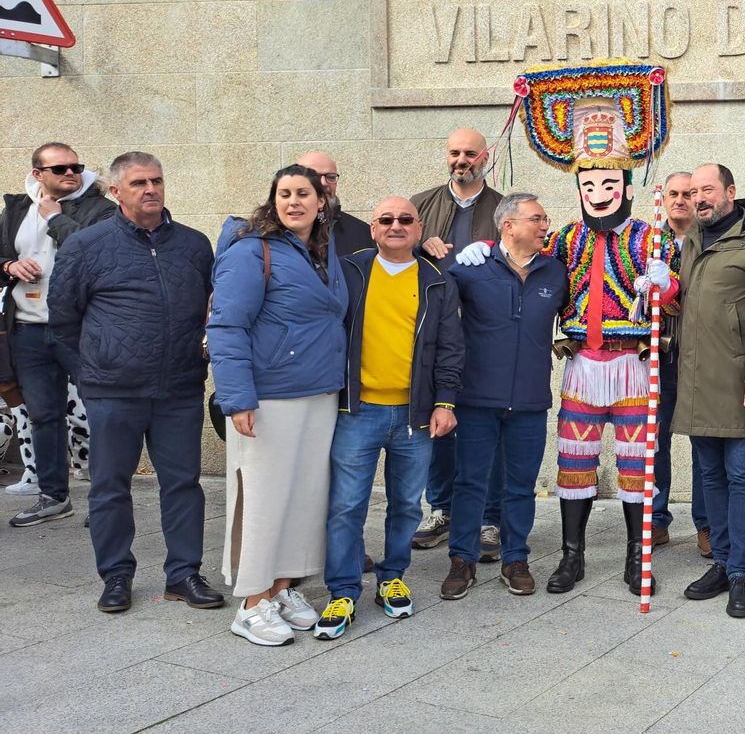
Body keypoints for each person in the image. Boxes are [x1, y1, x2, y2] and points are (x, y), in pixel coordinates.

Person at [465, 65, 678, 598]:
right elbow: (521, 257)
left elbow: (675, 291)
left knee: (636, 466)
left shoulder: (652, 237)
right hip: (582, 364)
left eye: (609, 182)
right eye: (589, 184)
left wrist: (665, 283)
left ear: (627, 184)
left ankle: (637, 556)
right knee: (575, 463)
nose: (599, 192)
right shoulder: (561, 238)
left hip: (634, 365)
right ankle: (572, 556)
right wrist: (484, 250)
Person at [49, 151, 222, 612]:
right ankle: (116, 576)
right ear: (115, 192)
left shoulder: (193, 244)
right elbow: (62, 320)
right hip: (112, 392)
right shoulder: (86, 246)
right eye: (140, 183)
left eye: (157, 180)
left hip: (179, 388)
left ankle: (183, 574)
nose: (151, 189)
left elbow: (213, 305)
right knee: (109, 486)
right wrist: (90, 375)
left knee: (184, 484)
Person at [209, 164, 348, 646]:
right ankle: (250, 602)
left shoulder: (322, 252)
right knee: (263, 498)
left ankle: (283, 587)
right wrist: (238, 398)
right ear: (273, 200)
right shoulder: (252, 251)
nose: (294, 202)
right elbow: (226, 326)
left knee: (304, 495)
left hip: (319, 392)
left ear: (320, 200)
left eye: (303, 194)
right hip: (269, 396)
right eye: (285, 193)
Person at [313, 197, 464, 639]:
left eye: (405, 220)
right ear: (374, 229)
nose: (395, 226)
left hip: (414, 416)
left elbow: (451, 347)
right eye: (386, 220)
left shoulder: (437, 279)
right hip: (356, 411)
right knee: (345, 507)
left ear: (419, 229)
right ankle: (342, 590)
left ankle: (392, 577)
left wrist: (445, 402)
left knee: (404, 506)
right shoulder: (351, 270)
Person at [439, 193, 567, 600]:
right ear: (508, 226)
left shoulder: (555, 272)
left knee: (520, 485)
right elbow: (433, 301)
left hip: (530, 401)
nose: (545, 225)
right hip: (477, 398)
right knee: (470, 482)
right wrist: (457, 256)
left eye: (545, 218)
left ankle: (516, 558)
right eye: (536, 219)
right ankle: (462, 559)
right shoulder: (472, 270)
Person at [676, 163, 745, 619]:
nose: (699, 198)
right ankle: (720, 561)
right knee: (710, 477)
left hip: (741, 383)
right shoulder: (691, 241)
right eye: (694, 191)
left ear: (730, 192)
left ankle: (741, 573)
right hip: (698, 381)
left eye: (707, 190)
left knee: (741, 477)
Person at [1, 142, 115, 526]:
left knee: (103, 412)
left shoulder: (100, 209)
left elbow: (96, 254)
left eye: (76, 167)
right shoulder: (17, 206)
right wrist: (11, 265)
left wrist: (54, 217)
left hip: (80, 329)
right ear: (38, 174)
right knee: (43, 415)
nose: (72, 173)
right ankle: (53, 496)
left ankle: (106, 498)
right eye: (61, 168)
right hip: (29, 329)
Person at [410, 127, 506, 560]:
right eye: (454, 152)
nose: (461, 159)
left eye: (469, 152)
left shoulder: (504, 207)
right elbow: (392, 254)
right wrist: (418, 245)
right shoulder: (420, 205)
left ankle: (490, 517)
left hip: (487, 335)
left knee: (488, 426)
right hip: (435, 333)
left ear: (485, 156)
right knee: (439, 421)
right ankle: (442, 509)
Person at [655, 170, 710, 557]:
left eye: (687, 193)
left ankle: (705, 523)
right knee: (654, 441)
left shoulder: (707, 240)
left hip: (697, 354)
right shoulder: (646, 242)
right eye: (673, 193)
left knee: (702, 442)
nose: (679, 200)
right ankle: (656, 519)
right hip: (656, 353)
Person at [296, 151, 373, 256]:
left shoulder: (362, 233)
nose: (323, 183)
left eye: (331, 177)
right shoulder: (271, 232)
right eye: (313, 176)